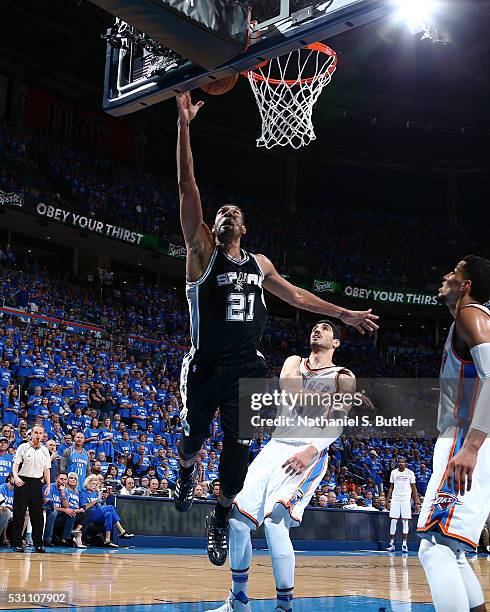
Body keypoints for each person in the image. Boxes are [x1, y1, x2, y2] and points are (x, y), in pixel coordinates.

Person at [174, 91, 379, 566]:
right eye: (219, 212)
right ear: (213, 225)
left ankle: (220, 516)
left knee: (237, 453)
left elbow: (299, 297)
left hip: (246, 368)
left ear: (243, 227)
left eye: (233, 212)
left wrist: (344, 314)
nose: (225, 214)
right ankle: (185, 471)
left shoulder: (260, 264)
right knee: (194, 439)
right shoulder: (201, 253)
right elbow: (187, 186)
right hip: (206, 364)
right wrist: (184, 128)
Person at [208, 320, 356, 612]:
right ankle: (238, 601)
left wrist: (313, 449)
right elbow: (290, 391)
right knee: (238, 521)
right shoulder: (294, 361)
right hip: (274, 447)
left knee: (277, 521)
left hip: (308, 450)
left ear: (336, 343)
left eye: (326, 329)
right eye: (316, 327)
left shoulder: (344, 375)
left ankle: (283, 607)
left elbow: (338, 420)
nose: (318, 330)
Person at [417, 256, 490, 612]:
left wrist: (472, 446)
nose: (445, 274)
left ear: (467, 286)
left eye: (454, 272)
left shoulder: (471, 315)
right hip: (469, 436)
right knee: (455, 552)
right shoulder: (467, 319)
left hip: (468, 436)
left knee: (435, 548)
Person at [11, 424, 51, 552]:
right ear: (31, 434)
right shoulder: (23, 447)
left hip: (37, 483)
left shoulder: (45, 450)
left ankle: (38, 543)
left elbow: (46, 469)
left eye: (40, 433)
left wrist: (48, 485)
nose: (38, 435)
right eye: (36, 432)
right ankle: (17, 542)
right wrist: (16, 477)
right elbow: (15, 465)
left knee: (37, 516)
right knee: (19, 514)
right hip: (22, 481)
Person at [78, 474, 134, 547]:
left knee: (109, 514)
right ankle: (122, 531)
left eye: (96, 484)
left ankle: (107, 540)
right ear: (88, 484)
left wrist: (104, 499)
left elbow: (102, 506)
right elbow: (85, 507)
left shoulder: (96, 493)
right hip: (89, 514)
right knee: (110, 507)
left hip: (99, 513)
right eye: (93, 484)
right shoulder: (83, 492)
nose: (95, 486)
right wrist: (96, 500)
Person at [386, 457, 419, 553]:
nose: (401, 463)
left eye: (403, 462)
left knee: (405, 521)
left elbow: (414, 488)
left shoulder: (410, 473)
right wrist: (388, 500)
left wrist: (416, 501)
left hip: (405, 499)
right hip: (396, 499)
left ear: (405, 464)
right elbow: (391, 487)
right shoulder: (393, 473)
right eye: (399, 462)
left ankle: (404, 545)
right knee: (393, 520)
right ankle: (391, 544)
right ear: (397, 463)